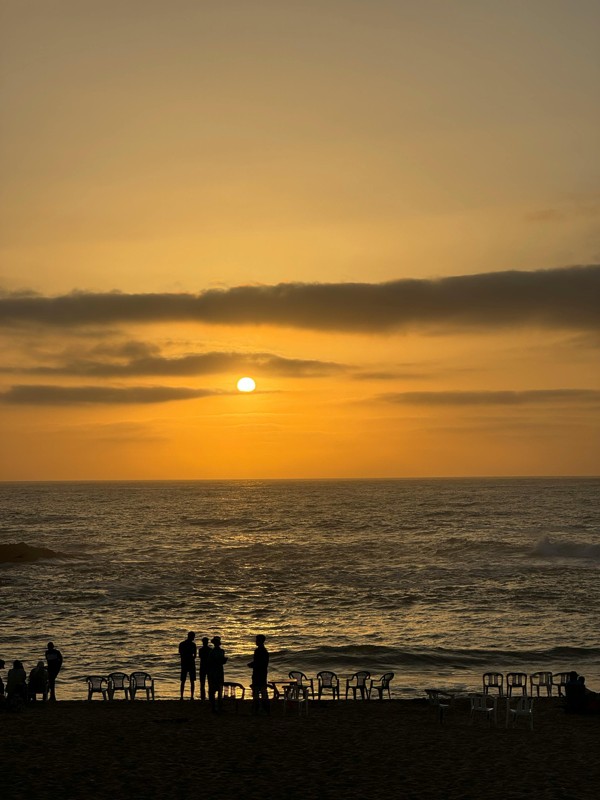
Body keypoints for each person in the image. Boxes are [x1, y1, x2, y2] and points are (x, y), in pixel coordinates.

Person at [248, 634, 270, 715]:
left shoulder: (259, 651)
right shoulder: (265, 651)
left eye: (257, 640)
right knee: (263, 691)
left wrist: (252, 665)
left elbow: (259, 663)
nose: (255, 642)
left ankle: (257, 709)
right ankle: (264, 709)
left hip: (258, 674)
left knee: (257, 691)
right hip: (262, 673)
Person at [207, 635, 227, 713]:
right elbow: (210, 662)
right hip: (215, 671)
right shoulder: (213, 652)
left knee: (218, 689)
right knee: (215, 689)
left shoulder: (216, 651)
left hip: (217, 671)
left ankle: (217, 707)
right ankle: (215, 707)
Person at [178, 631, 197, 700]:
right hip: (190, 663)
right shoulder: (193, 645)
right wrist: (191, 658)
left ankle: (182, 696)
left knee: (183, 680)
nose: (194, 638)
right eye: (193, 636)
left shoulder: (182, 644)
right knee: (191, 680)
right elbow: (195, 655)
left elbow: (180, 653)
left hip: (184, 663)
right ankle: (191, 696)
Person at [198, 637, 212, 701]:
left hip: (203, 666)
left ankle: (203, 697)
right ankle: (209, 696)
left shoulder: (200, 650)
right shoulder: (210, 650)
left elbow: (200, 657)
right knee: (209, 682)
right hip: (208, 667)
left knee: (203, 682)